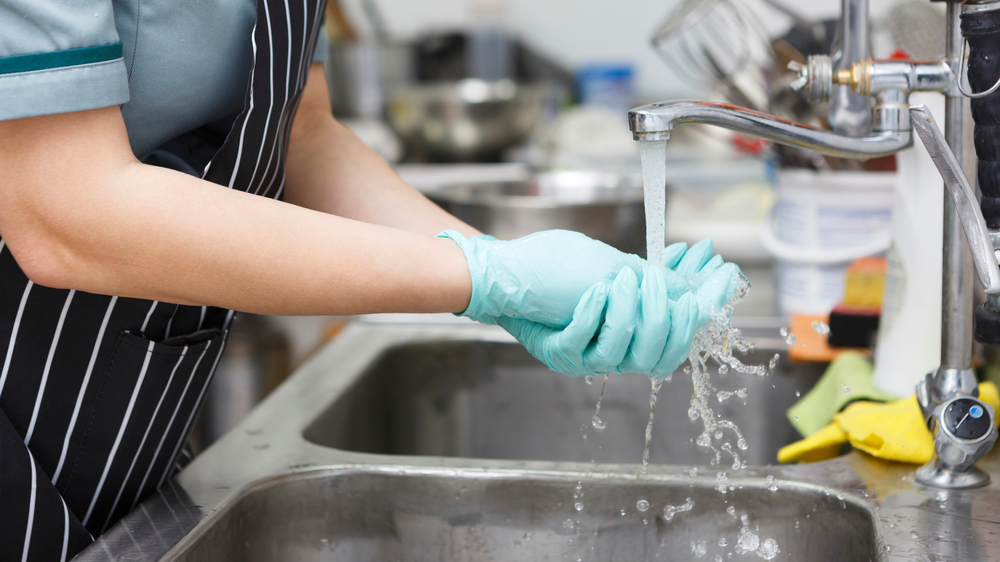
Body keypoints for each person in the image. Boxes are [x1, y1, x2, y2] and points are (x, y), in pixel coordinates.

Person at [0, 0, 741, 559]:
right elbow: (64, 206)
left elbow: (304, 137)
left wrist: (515, 280)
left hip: (130, 436)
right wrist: (482, 277)